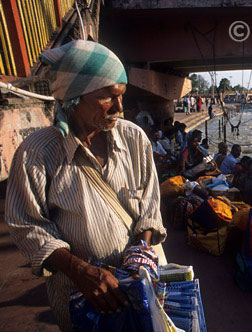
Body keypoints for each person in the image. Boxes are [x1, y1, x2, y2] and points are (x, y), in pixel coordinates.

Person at [5, 40, 167, 332]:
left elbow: (149, 205)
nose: (119, 107)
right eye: (108, 97)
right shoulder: (36, 152)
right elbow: (27, 224)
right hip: (78, 292)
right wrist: (81, 271)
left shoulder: (135, 139)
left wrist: (140, 252)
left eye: (122, 96)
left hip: (139, 279)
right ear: (72, 98)